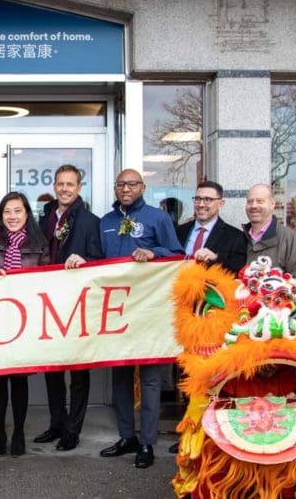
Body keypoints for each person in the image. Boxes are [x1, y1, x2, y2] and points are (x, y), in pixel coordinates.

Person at [99, 168, 182, 470]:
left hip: (149, 310)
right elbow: (98, 262)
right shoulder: (106, 222)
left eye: (132, 184)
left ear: (143, 187)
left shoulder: (157, 218)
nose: (125, 188)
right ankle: (126, 437)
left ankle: (147, 442)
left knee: (149, 380)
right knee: (119, 377)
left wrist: (152, 252)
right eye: (120, 184)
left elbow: (176, 254)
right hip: (116, 312)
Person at [34, 165, 104, 451]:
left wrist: (84, 260)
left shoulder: (90, 221)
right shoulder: (45, 217)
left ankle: (73, 431)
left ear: (79, 187)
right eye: (60, 183)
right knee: (52, 369)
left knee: (77, 371)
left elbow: (99, 259)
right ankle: (56, 424)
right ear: (54, 185)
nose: (64, 189)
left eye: (70, 184)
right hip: (49, 302)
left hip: (77, 304)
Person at [0, 191, 50, 457]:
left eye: (17, 211)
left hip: (25, 318)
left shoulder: (39, 243)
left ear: (26, 214)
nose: (12, 217)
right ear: (1, 215)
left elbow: (45, 280)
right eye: (7, 211)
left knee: (19, 379)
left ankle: (18, 432)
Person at [177, 180, 247, 273]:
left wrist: (215, 259)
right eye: (197, 199)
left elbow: (238, 270)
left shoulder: (236, 237)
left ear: (221, 204)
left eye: (207, 199)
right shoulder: (178, 231)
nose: (201, 204)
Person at [243, 183, 296, 278]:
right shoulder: (239, 238)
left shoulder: (290, 239)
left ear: (272, 204)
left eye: (260, 201)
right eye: (250, 201)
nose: (254, 206)